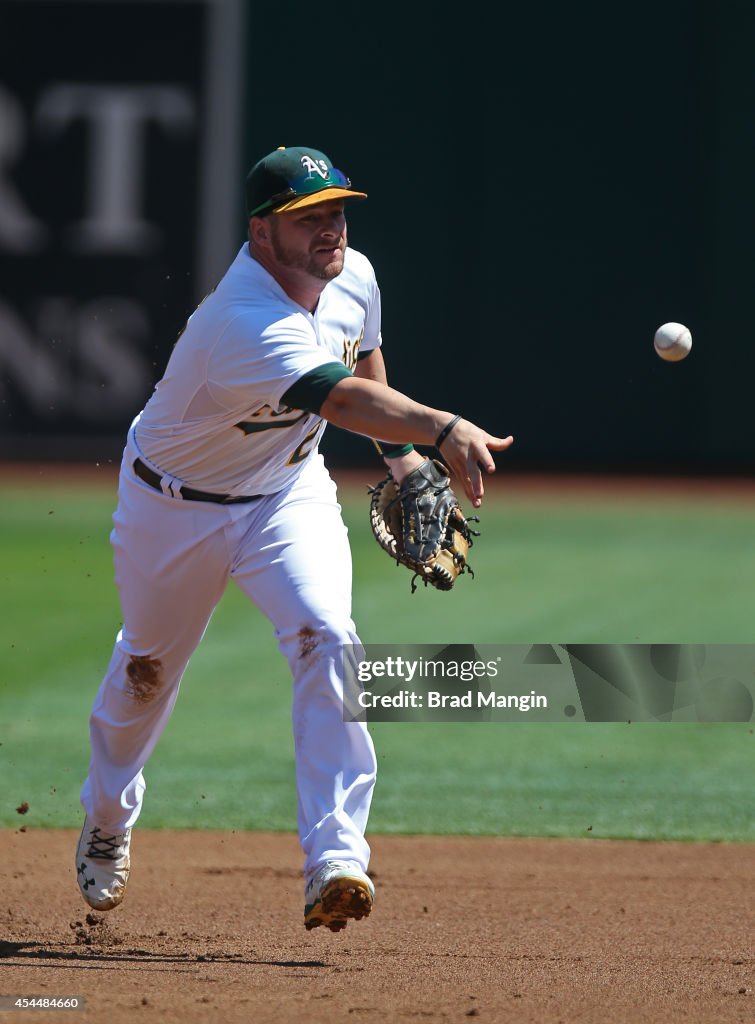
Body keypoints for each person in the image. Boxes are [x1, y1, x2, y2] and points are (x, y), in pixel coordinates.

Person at [74, 145, 514, 932]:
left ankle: (336, 858)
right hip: (171, 509)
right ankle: (108, 813)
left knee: (326, 636)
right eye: (305, 219)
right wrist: (441, 428)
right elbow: (340, 397)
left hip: (284, 493)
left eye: (335, 211)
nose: (328, 231)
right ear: (259, 233)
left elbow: (362, 356)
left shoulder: (355, 274)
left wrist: (403, 458)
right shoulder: (238, 320)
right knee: (146, 670)